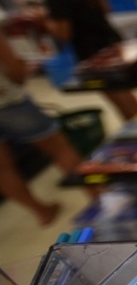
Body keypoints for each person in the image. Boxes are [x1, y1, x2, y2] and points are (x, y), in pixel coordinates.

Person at [16, 0, 137, 120]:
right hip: (108, 37)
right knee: (124, 92)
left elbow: (64, 32)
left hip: (88, 48)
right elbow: (104, 6)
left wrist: (44, 21)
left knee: (116, 98)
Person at [0, 33, 83, 226]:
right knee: (60, 149)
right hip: (8, 101)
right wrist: (20, 73)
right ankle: (100, 199)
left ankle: (42, 212)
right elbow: (12, 65)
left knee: (2, 169)